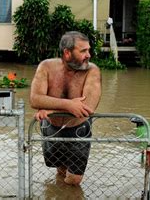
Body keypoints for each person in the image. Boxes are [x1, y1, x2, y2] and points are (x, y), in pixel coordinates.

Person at [30, 31, 102, 186]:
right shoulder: (46, 67)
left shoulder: (92, 70)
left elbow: (88, 107)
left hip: (79, 129)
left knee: (75, 179)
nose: (88, 55)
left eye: (88, 50)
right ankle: (59, 192)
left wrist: (49, 108)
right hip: (51, 127)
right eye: (83, 51)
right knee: (60, 170)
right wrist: (68, 104)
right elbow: (35, 99)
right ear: (67, 53)